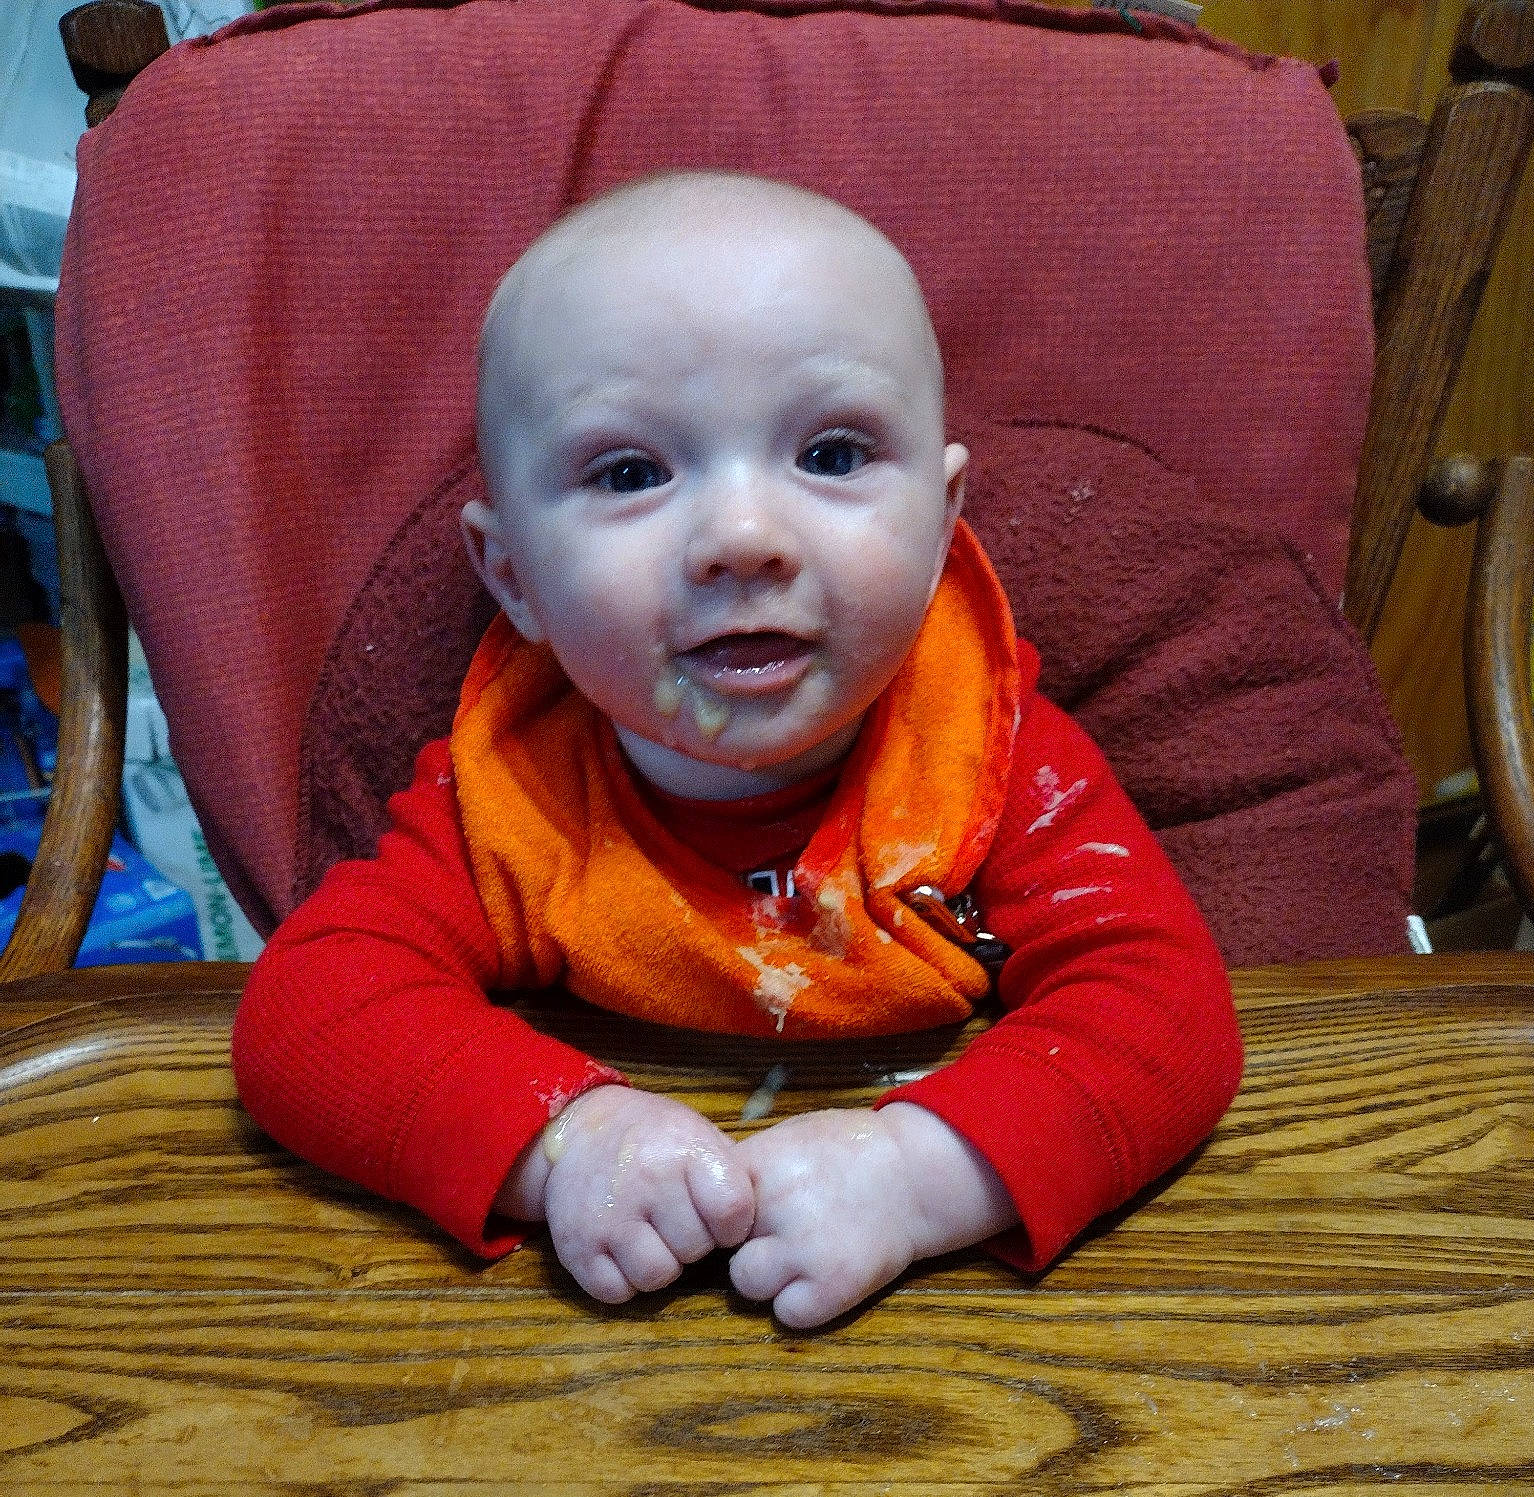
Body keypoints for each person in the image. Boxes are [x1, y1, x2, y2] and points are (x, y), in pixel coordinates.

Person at [232, 171, 1243, 1328]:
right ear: (512, 576)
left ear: (940, 528)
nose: (744, 539)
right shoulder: (516, 803)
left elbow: (1167, 1009)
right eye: (630, 473)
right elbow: (308, 1011)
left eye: (832, 453)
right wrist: (564, 1142)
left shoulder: (991, 759)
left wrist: (920, 1176)